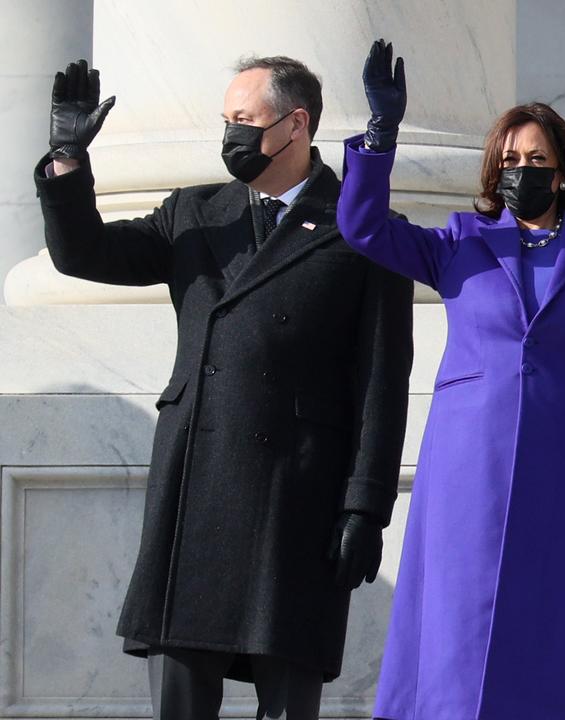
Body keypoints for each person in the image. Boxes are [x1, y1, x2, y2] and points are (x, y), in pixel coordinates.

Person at [34, 56, 414, 718]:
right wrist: (67, 160)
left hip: (297, 494)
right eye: (226, 120)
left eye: (244, 120)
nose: (231, 134)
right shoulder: (195, 212)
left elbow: (383, 378)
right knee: (180, 688)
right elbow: (83, 254)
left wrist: (367, 506)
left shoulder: (359, 228)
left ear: (296, 125)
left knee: (288, 693)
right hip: (196, 486)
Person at [336, 41, 565, 719]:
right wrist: (379, 137)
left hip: (563, 464)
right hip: (465, 466)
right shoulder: (460, 240)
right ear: (494, 169)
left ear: (564, 172)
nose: (524, 171)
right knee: (458, 627)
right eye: (512, 161)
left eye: (538, 161)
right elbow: (362, 227)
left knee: (552, 629)